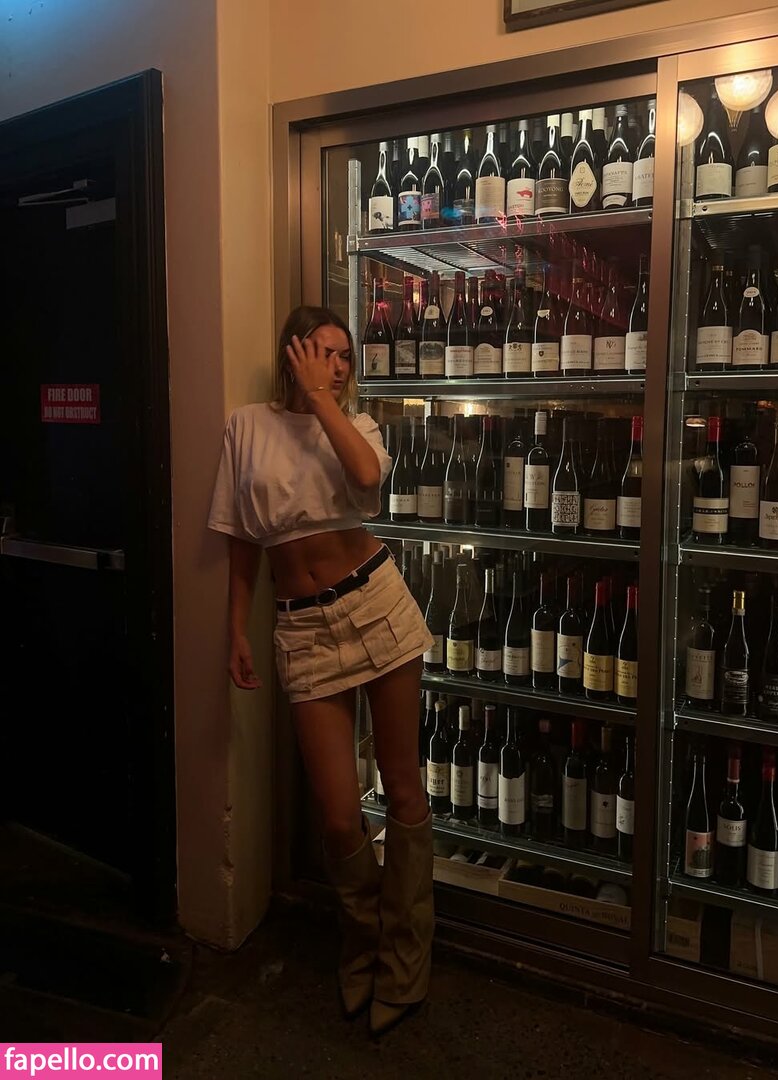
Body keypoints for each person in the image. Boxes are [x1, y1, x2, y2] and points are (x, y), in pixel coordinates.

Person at [207, 305, 434, 1037]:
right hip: (302, 628)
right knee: (338, 813)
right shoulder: (246, 426)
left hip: (376, 605)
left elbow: (365, 477)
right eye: (322, 353)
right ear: (291, 352)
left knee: (402, 786)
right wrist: (235, 629)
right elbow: (241, 538)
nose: (336, 366)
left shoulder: (355, 426)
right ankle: (362, 942)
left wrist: (321, 401)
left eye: (344, 357)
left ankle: (405, 956)